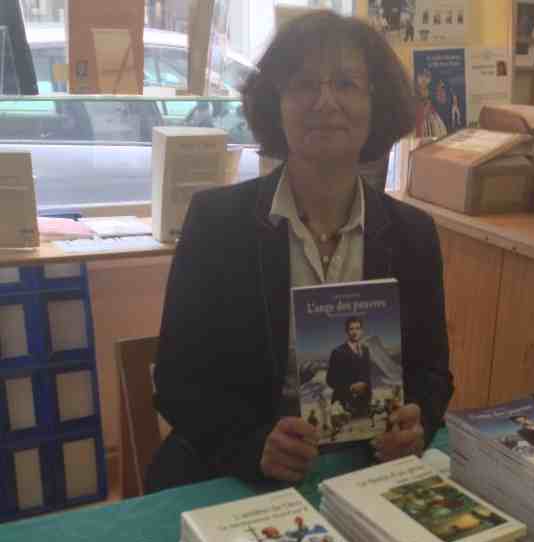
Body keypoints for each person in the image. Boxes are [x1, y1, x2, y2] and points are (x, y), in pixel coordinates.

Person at [145, 11, 453, 493]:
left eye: (346, 83)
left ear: (376, 103)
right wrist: (252, 446)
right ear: (277, 102)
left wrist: (420, 422)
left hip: (367, 470)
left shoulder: (413, 234)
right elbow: (177, 383)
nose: (325, 101)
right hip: (238, 474)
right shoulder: (216, 224)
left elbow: (432, 374)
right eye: (305, 84)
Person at [326, 316, 372, 417]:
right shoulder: (338, 352)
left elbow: (367, 376)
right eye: (351, 329)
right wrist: (350, 387)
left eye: (357, 328)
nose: (355, 332)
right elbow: (330, 380)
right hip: (343, 405)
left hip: (363, 404)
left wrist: (368, 398)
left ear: (362, 331)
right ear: (346, 331)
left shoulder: (366, 350)